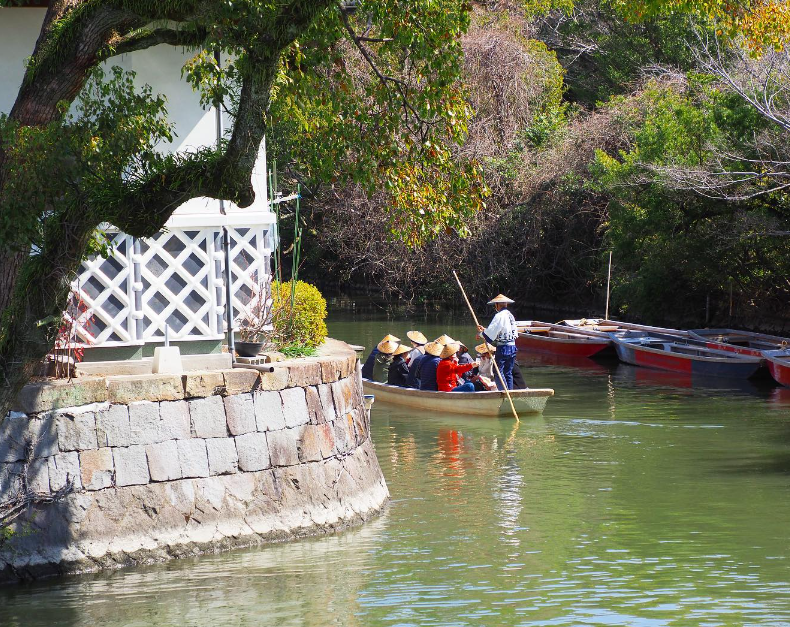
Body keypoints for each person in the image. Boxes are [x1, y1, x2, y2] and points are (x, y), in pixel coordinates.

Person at [477, 294, 518, 390]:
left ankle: (504, 391)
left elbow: (491, 333)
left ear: (497, 305)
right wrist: (484, 331)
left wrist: (481, 333)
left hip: (504, 348)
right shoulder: (510, 315)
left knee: (498, 371)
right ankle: (509, 391)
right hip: (512, 346)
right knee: (508, 372)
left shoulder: (499, 316)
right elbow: (500, 331)